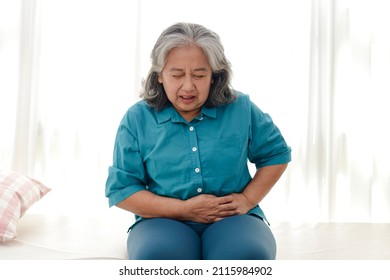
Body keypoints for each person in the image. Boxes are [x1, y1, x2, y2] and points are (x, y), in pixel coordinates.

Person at [105, 22, 291, 260]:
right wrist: (184, 210)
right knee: (158, 257)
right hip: (162, 221)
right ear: (160, 75)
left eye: (200, 75)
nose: (188, 86)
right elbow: (123, 189)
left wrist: (248, 199)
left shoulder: (241, 108)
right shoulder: (137, 119)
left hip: (234, 219)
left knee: (248, 254)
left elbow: (276, 154)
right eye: (177, 74)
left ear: (214, 76)